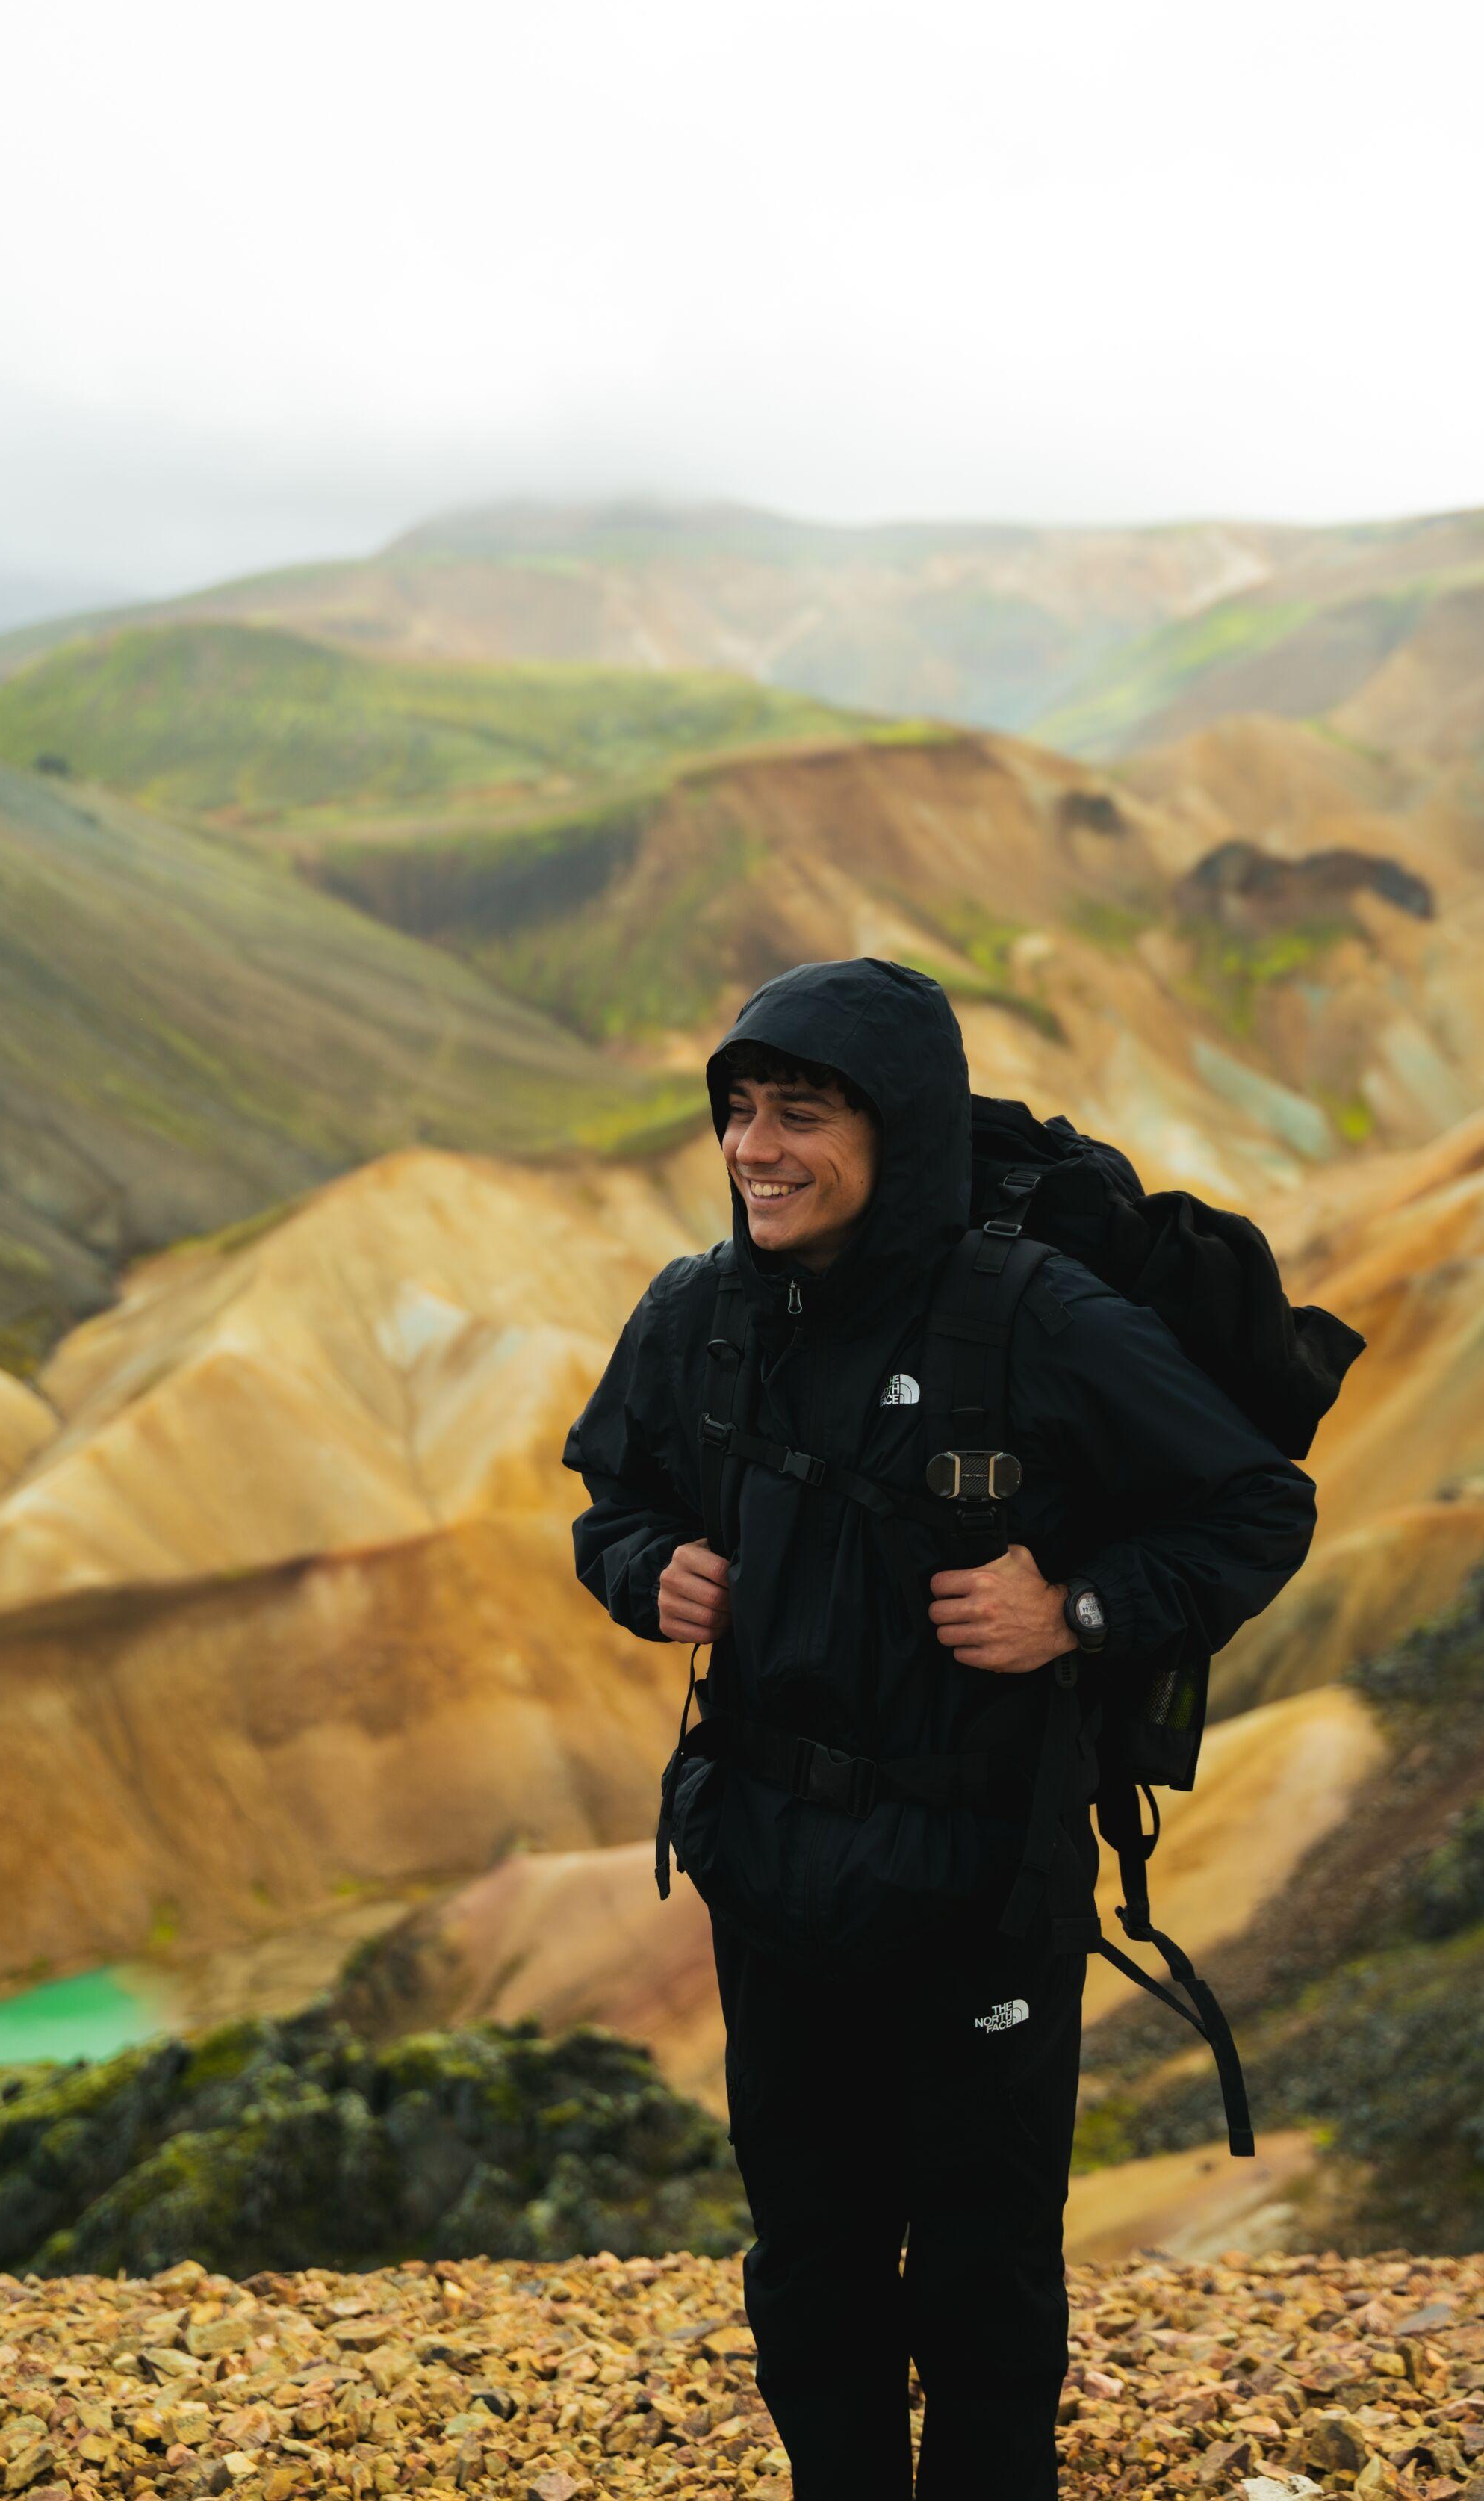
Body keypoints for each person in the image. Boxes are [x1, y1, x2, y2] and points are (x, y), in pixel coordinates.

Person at [565, 957, 1317, 2501]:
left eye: (801, 1115)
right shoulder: (698, 1315)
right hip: (771, 1866)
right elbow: (611, 1497)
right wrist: (649, 1569)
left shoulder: (1031, 1316)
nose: (755, 1151)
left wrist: (1081, 1611)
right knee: (811, 2257)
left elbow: (1253, 1502)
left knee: (981, 2276)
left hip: (983, 1870)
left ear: (896, 1131)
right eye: (737, 1114)